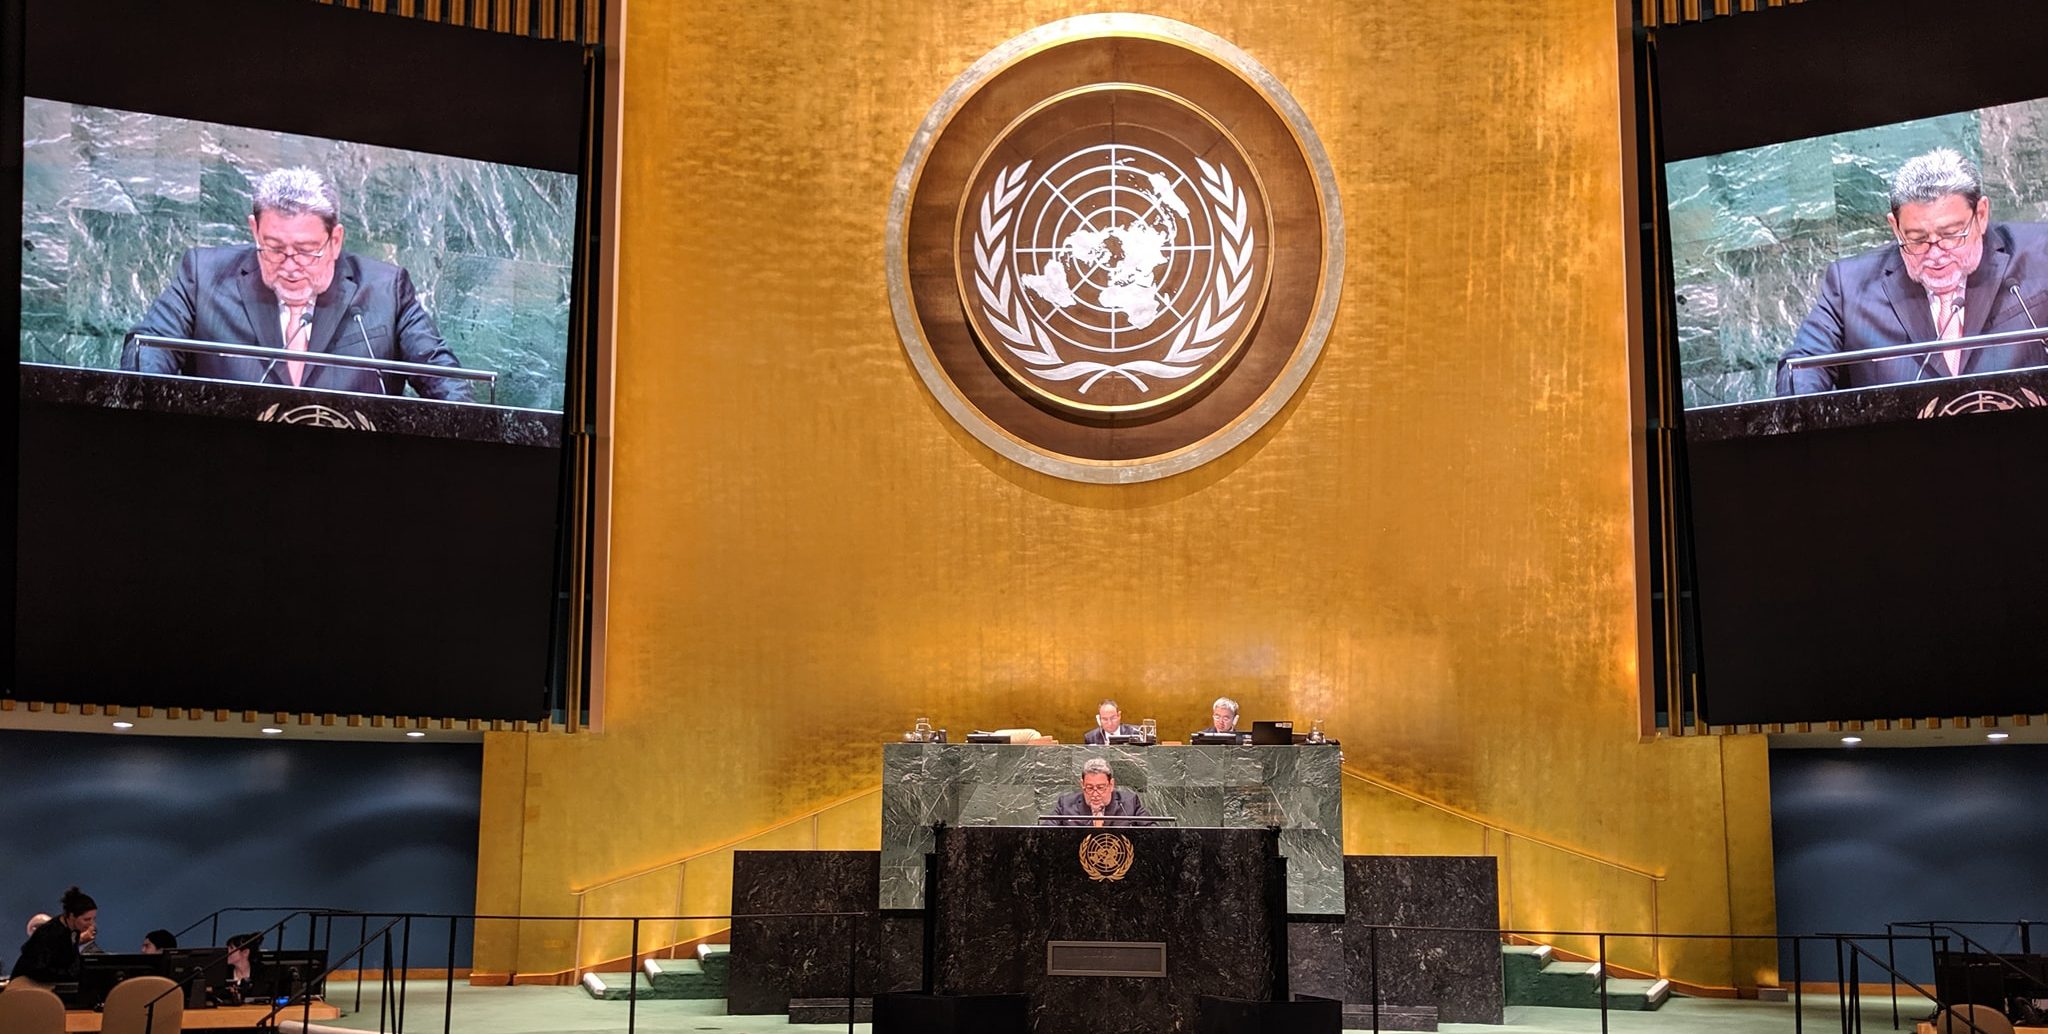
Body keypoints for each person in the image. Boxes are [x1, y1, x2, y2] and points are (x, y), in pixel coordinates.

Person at [122, 167, 472, 401]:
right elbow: (147, 347)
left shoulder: (386, 289)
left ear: (335, 241)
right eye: (274, 248)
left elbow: (446, 381)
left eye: (306, 251)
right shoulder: (204, 276)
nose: (290, 267)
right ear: (255, 230)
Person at [1777, 148, 2048, 395]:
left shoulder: (2040, 255)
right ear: (1895, 227)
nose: (1936, 254)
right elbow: (1801, 365)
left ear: (1981, 215)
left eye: (1951, 234)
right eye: (1918, 239)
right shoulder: (1849, 285)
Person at [9, 887, 96, 991]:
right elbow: (38, 969)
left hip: (45, 987)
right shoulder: (48, 933)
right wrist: (70, 974)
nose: (91, 924)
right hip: (27, 989)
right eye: (86, 919)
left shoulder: (73, 930)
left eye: (93, 919)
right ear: (72, 916)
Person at [1043, 758, 1152, 826]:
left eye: (1100, 788)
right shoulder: (1066, 804)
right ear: (1082, 784)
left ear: (1111, 785)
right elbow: (1044, 832)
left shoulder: (1129, 803)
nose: (1095, 794)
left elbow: (1153, 830)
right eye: (1089, 788)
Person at [211, 932, 265, 1005]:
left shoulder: (262, 973)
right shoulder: (222, 973)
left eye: (231, 948)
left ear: (245, 952)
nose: (227, 951)